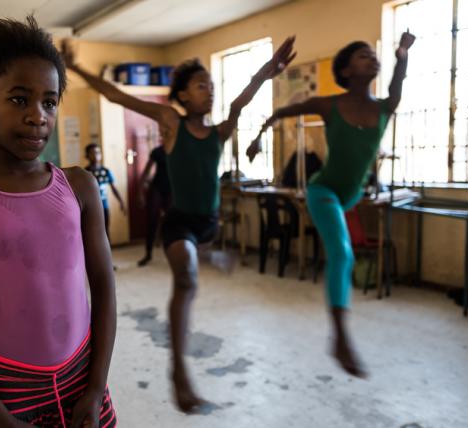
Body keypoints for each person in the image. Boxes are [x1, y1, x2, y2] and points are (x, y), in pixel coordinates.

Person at [63, 35, 296, 413]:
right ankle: (179, 370)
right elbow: (120, 97)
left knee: (193, 267)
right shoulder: (172, 123)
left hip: (209, 224)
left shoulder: (220, 131)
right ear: (183, 96)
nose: (210, 91)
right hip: (179, 223)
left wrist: (268, 72)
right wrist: (75, 67)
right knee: (186, 276)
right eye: (201, 85)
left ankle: (207, 260)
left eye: (212, 85)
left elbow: (242, 99)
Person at [0, 14, 116, 427]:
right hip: (3, 390)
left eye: (49, 101)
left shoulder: (78, 186)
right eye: (18, 99)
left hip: (83, 375)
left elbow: (103, 287)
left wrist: (97, 386)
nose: (38, 116)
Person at [247, 32, 416, 378]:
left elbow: (399, 82)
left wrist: (402, 53)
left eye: (373, 55)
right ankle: (340, 337)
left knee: (344, 250)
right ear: (346, 70)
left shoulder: (385, 107)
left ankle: (340, 334)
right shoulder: (329, 105)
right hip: (322, 190)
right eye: (362, 55)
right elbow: (283, 110)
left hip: (351, 195)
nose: (371, 58)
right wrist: (257, 139)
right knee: (342, 254)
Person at [137, 144, 171, 267]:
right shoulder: (158, 151)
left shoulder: (180, 149)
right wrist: (140, 193)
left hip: (172, 190)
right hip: (157, 188)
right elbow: (146, 172)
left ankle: (172, 254)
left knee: (171, 223)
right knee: (152, 221)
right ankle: (148, 254)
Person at [84, 143, 126, 239]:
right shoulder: (85, 173)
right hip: (91, 206)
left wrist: (121, 201)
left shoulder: (106, 171)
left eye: (98, 152)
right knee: (92, 230)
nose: (96, 154)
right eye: (92, 152)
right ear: (87, 156)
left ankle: (108, 251)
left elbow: (113, 188)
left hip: (104, 205)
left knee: (106, 228)